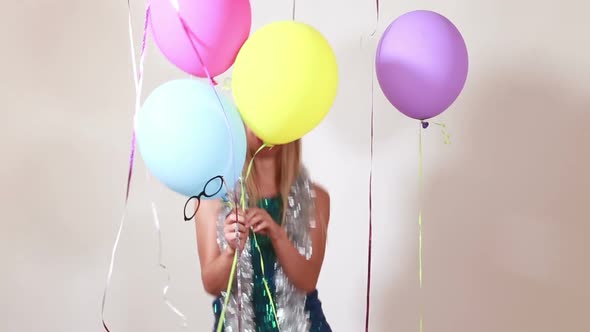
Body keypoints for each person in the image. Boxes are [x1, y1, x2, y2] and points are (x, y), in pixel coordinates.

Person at [194, 128, 332, 331]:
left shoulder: (314, 198)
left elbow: (308, 280)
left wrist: (278, 237)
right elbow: (212, 285)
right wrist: (231, 251)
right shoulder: (214, 198)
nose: (264, 126)